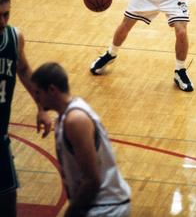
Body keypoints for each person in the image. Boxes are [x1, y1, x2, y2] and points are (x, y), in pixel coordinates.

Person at [31, 62, 131, 217]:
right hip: (99, 205)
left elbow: (92, 179)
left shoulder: (75, 120)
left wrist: (72, 211)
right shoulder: (66, 115)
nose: (36, 98)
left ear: (52, 90)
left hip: (105, 208)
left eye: (38, 93)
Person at [0, 0, 51, 217]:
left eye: (6, 14)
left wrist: (41, 107)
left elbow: (24, 70)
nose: (3, 21)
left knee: (9, 198)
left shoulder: (14, 38)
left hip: (0, 137)